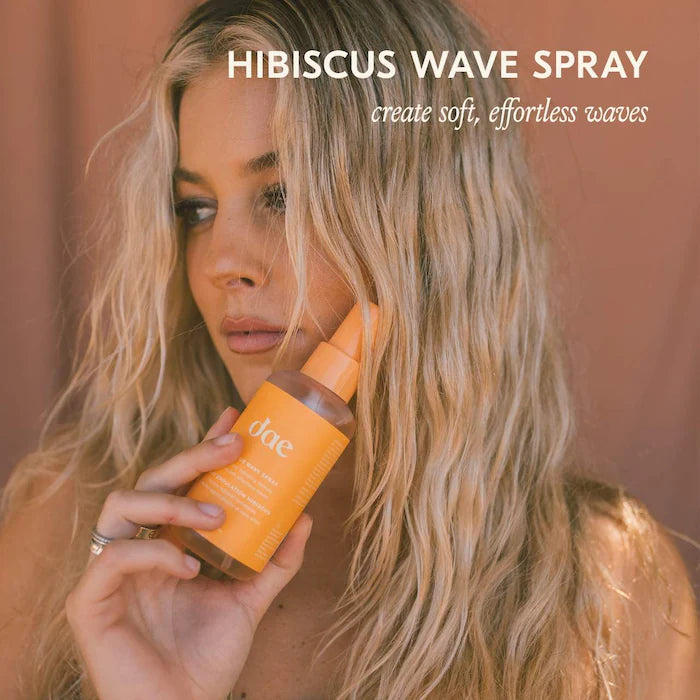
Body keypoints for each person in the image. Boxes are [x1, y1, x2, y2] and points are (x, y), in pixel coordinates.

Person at [1, 0, 698, 698]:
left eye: (282, 196)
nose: (221, 262)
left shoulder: (607, 586)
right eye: (197, 209)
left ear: (434, 225)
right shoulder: (71, 530)